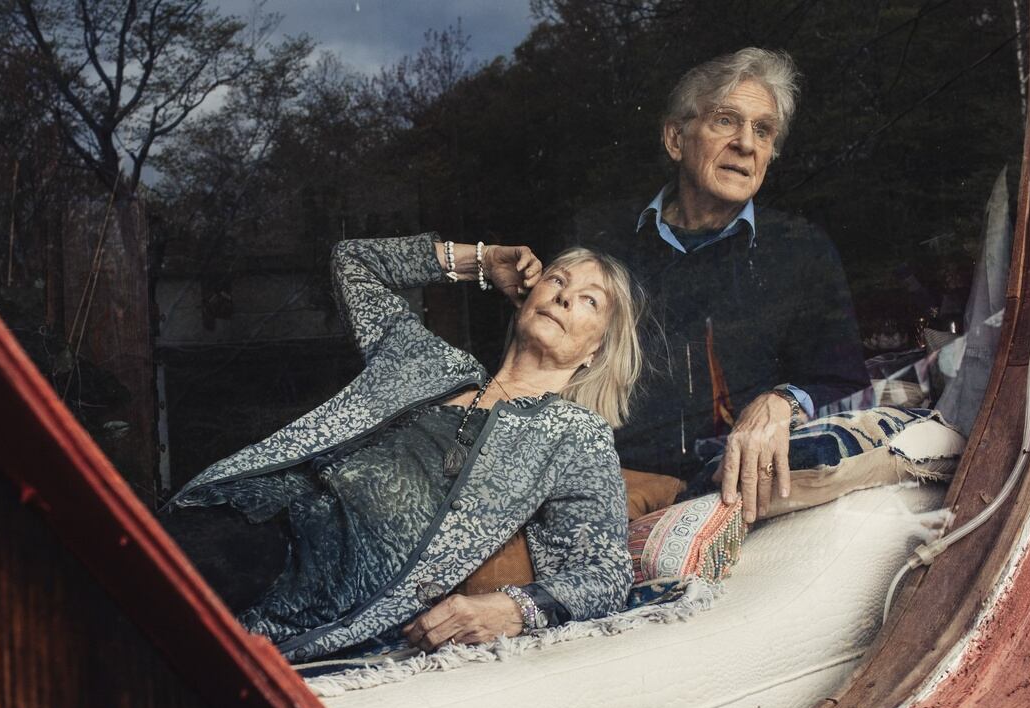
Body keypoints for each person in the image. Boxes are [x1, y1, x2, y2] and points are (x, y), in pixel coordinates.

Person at [159, 234, 642, 664]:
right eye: (556, 280)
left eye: (589, 301)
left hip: (315, 572)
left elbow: (604, 573)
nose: (563, 296)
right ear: (526, 295)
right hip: (244, 507)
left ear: (596, 350)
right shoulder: (428, 360)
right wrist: (481, 260)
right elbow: (352, 262)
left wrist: (511, 608)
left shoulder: (575, 435)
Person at [582, 47, 868, 522]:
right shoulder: (603, 241)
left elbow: (844, 382)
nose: (746, 144)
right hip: (612, 490)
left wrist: (783, 400)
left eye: (763, 131)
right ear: (676, 138)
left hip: (734, 495)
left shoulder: (801, 249)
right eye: (725, 121)